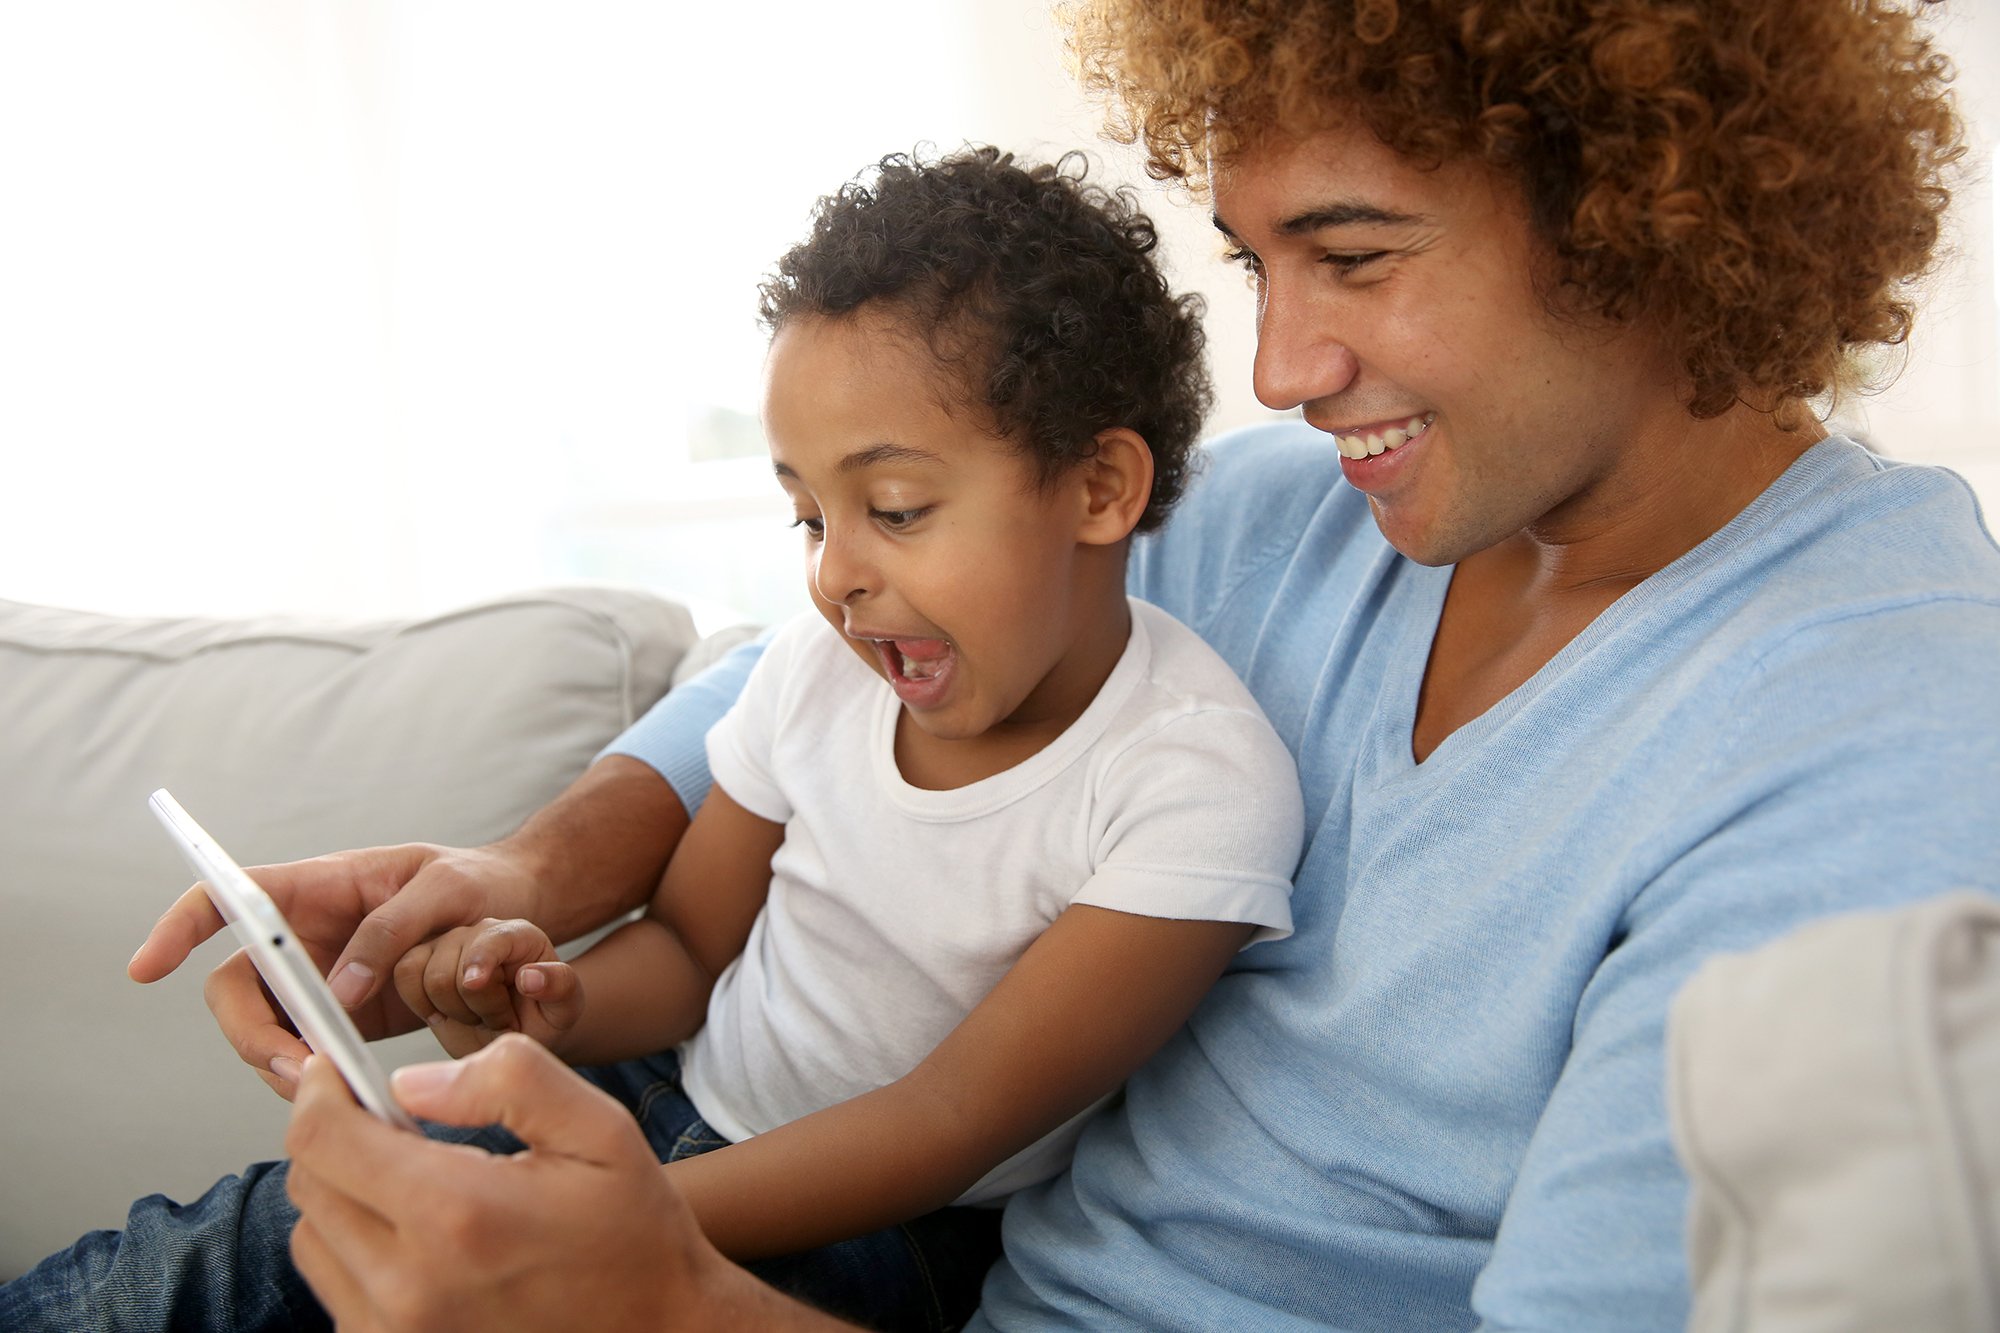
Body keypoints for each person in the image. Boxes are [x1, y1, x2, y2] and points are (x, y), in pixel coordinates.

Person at [86, 0, 2000, 1328]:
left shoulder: (1876, 772)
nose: (1276, 371)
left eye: (1350, 254)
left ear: (1656, 214)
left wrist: (661, 1299)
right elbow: (797, 680)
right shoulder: (1288, 522)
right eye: (1257, 267)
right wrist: (518, 875)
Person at [1, 148, 1303, 1331]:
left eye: (895, 507)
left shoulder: (1188, 784)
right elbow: (687, 950)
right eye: (808, 518)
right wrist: (540, 1003)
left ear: (1100, 488)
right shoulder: (817, 675)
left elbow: (947, 1119)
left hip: (865, 1237)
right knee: (219, 1259)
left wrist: (612, 1219)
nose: (835, 575)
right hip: (650, 1114)